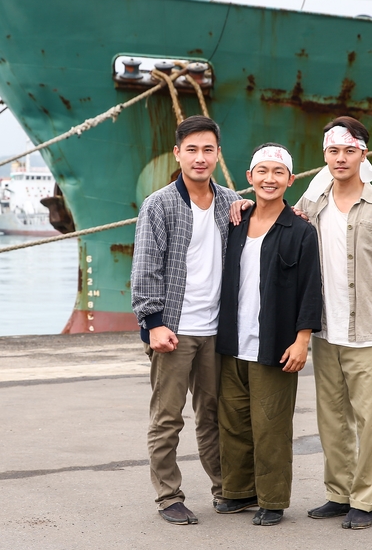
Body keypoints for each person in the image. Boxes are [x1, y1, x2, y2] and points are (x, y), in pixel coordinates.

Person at [295, 116, 372, 530]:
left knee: (370, 422)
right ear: (325, 155)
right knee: (332, 420)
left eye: (349, 150)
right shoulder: (314, 203)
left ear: (364, 154)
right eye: (333, 151)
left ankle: (364, 500)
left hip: (369, 334)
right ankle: (339, 493)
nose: (341, 158)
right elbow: (282, 224)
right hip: (326, 331)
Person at [131, 115, 249, 525]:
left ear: (218, 154)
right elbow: (145, 268)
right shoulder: (159, 204)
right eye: (192, 149)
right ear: (178, 153)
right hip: (174, 330)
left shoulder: (231, 202)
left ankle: (225, 488)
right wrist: (153, 323)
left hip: (216, 330)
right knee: (167, 418)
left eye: (208, 150)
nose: (200, 158)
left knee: (215, 415)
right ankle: (169, 496)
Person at [215, 143, 322, 526]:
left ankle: (273, 500)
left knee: (271, 426)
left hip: (274, 344)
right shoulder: (235, 224)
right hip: (231, 342)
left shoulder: (301, 230)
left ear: (290, 180)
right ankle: (238, 491)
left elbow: (311, 288)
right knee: (233, 422)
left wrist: (302, 339)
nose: (269, 179)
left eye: (278, 173)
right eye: (262, 171)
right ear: (250, 178)